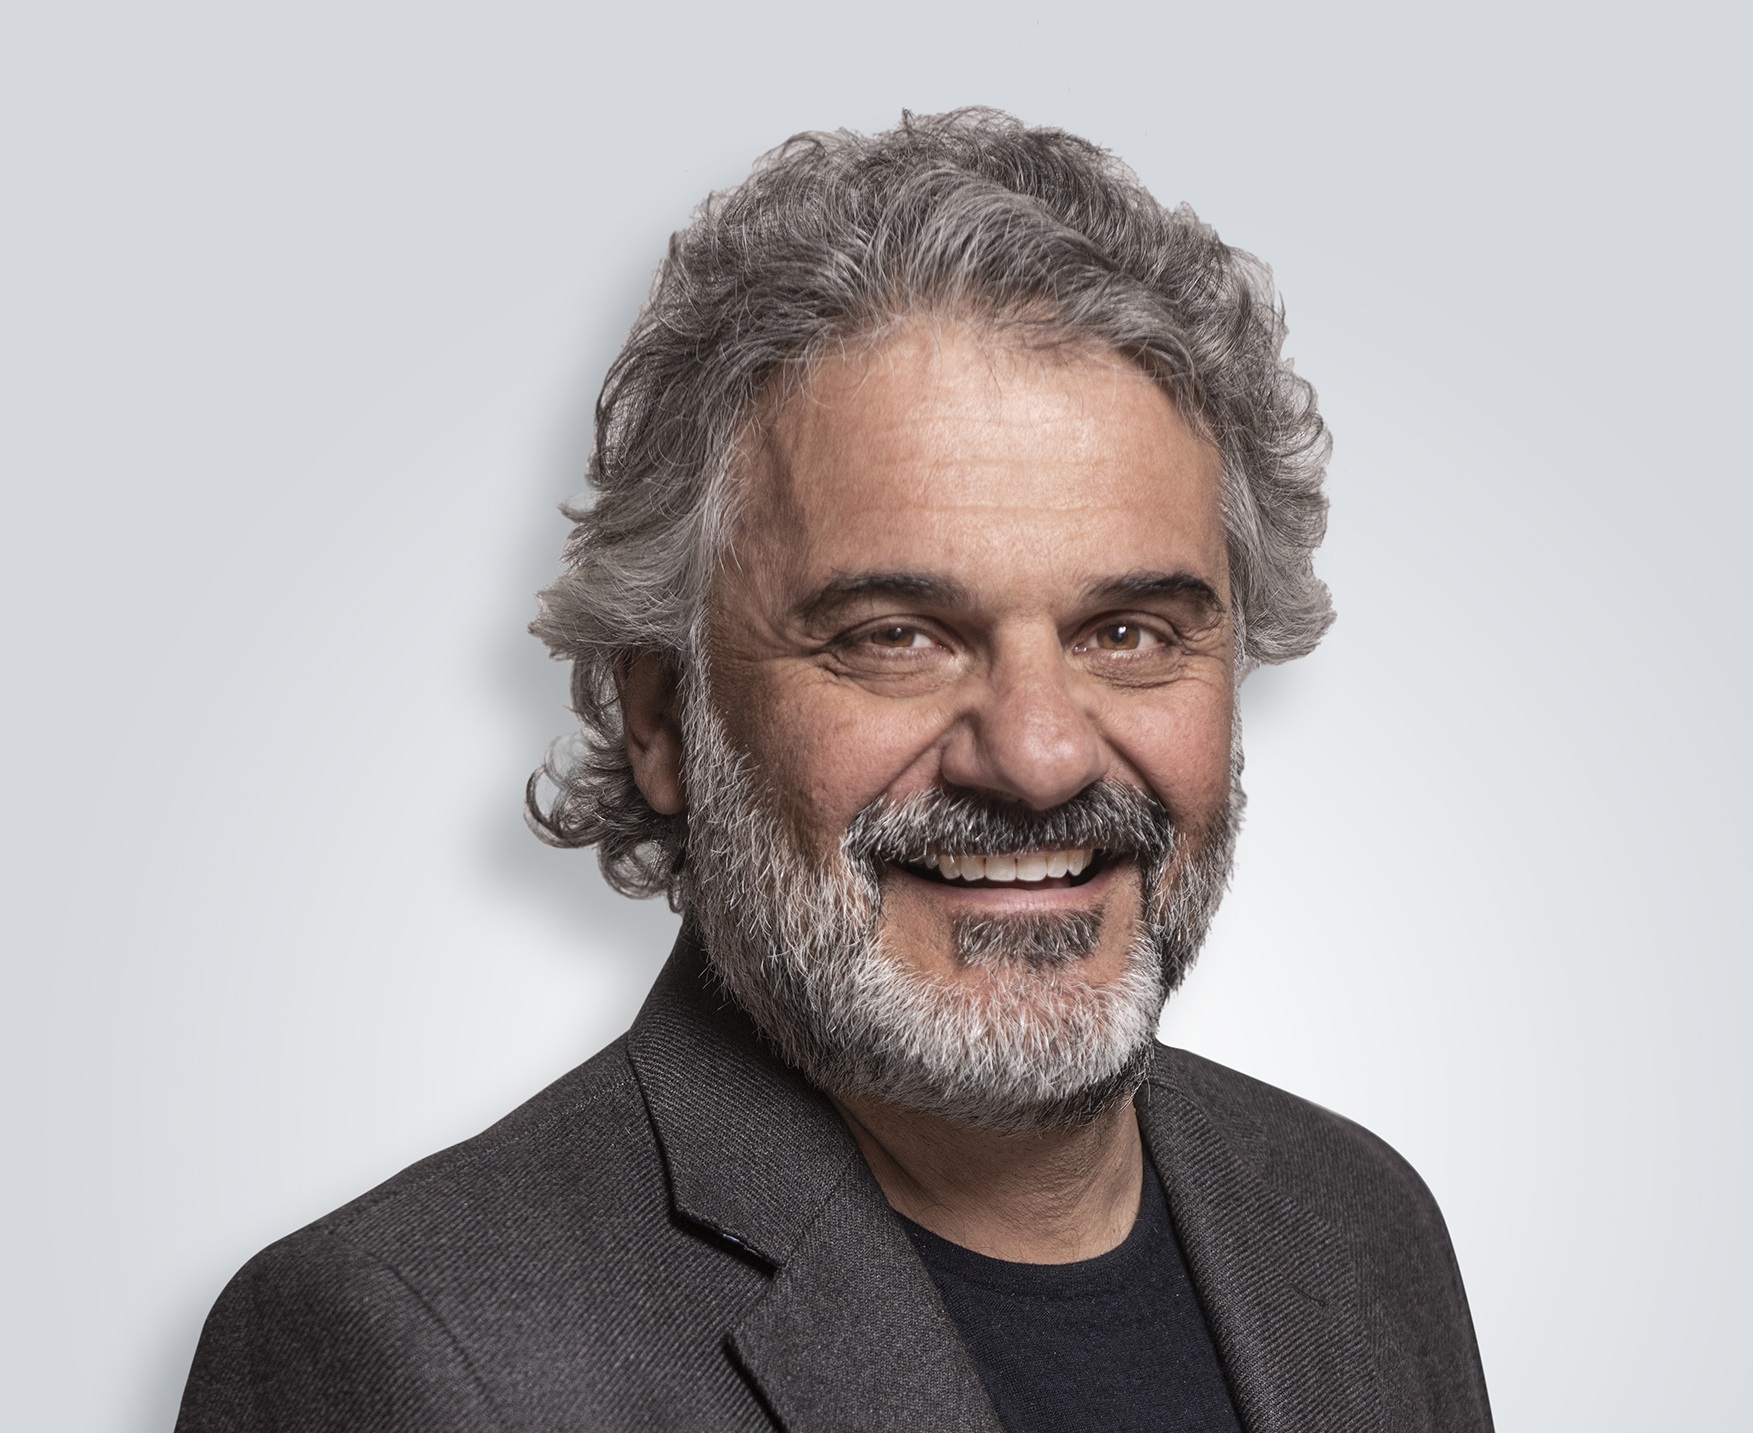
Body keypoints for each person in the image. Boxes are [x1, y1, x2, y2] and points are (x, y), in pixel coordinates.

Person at [175, 109, 1493, 1432]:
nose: (1040, 756)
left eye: (1128, 633)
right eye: (896, 636)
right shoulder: (402, 1351)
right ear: (663, 716)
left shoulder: (1357, 1228)